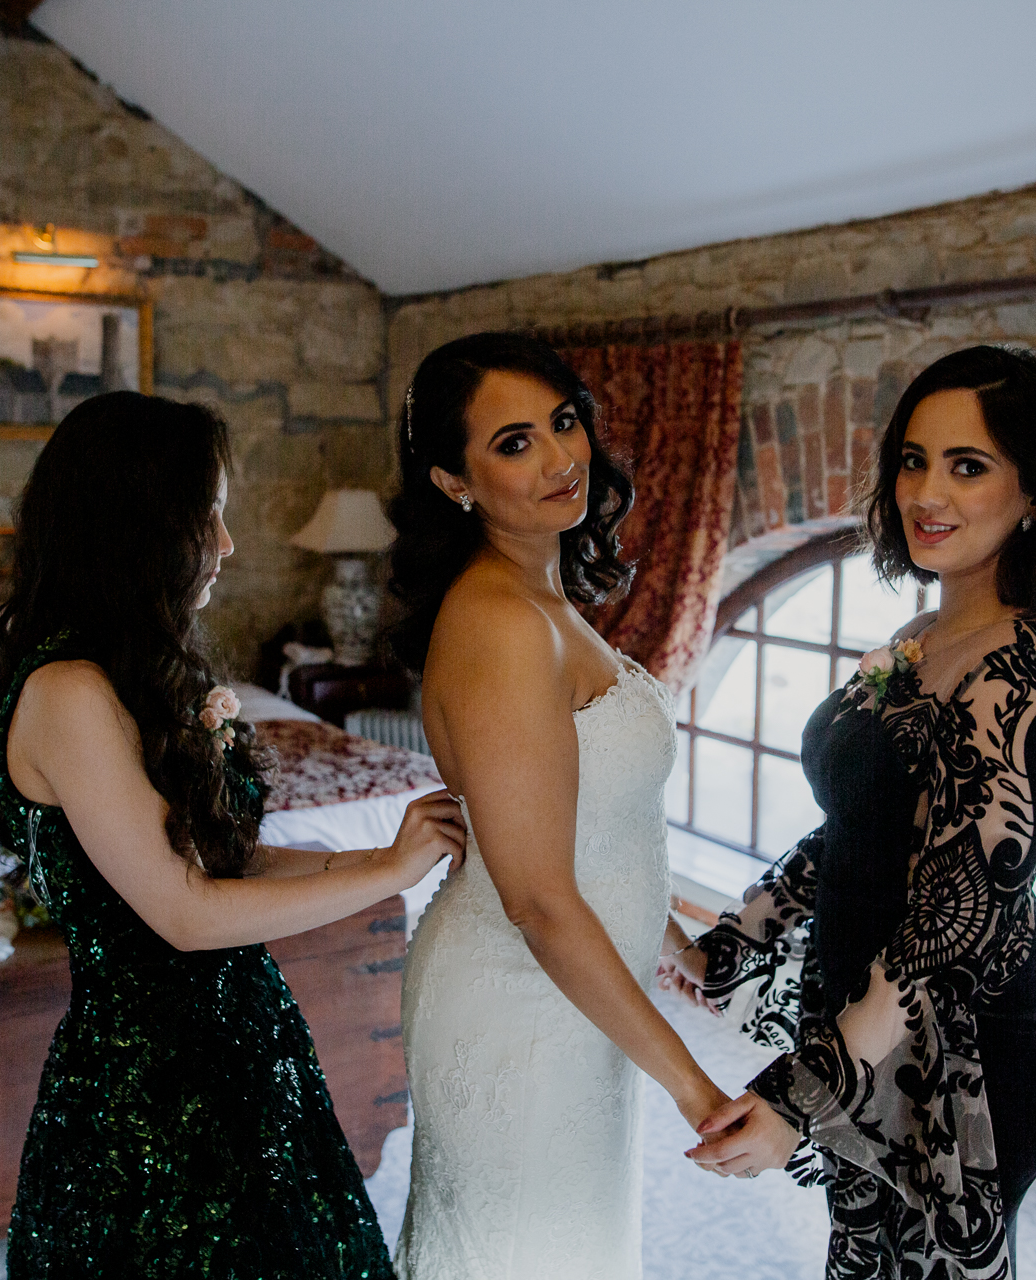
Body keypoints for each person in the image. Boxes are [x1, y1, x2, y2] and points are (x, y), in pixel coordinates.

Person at [0, 390, 466, 1278]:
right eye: (210, 516)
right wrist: (389, 873)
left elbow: (228, 861)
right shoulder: (70, 694)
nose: (228, 544)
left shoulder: (141, 673)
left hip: (243, 1047)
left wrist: (384, 850)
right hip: (151, 1095)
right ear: (137, 526)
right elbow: (187, 912)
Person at [663, 345, 1036, 1279]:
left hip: (978, 1046)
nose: (927, 493)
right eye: (914, 460)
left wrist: (798, 1094)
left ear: (1035, 493)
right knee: (866, 1257)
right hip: (868, 1013)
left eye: (968, 466)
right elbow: (860, 834)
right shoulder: (921, 636)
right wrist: (726, 945)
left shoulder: (1030, 677)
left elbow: (954, 922)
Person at [387, 333, 729, 1279]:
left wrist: (678, 946)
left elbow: (592, 825)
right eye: (514, 442)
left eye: (565, 423)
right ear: (454, 482)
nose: (559, 457)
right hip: (519, 1000)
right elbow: (537, 899)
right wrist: (696, 1089)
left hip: (579, 991)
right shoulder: (499, 622)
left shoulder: (545, 599)